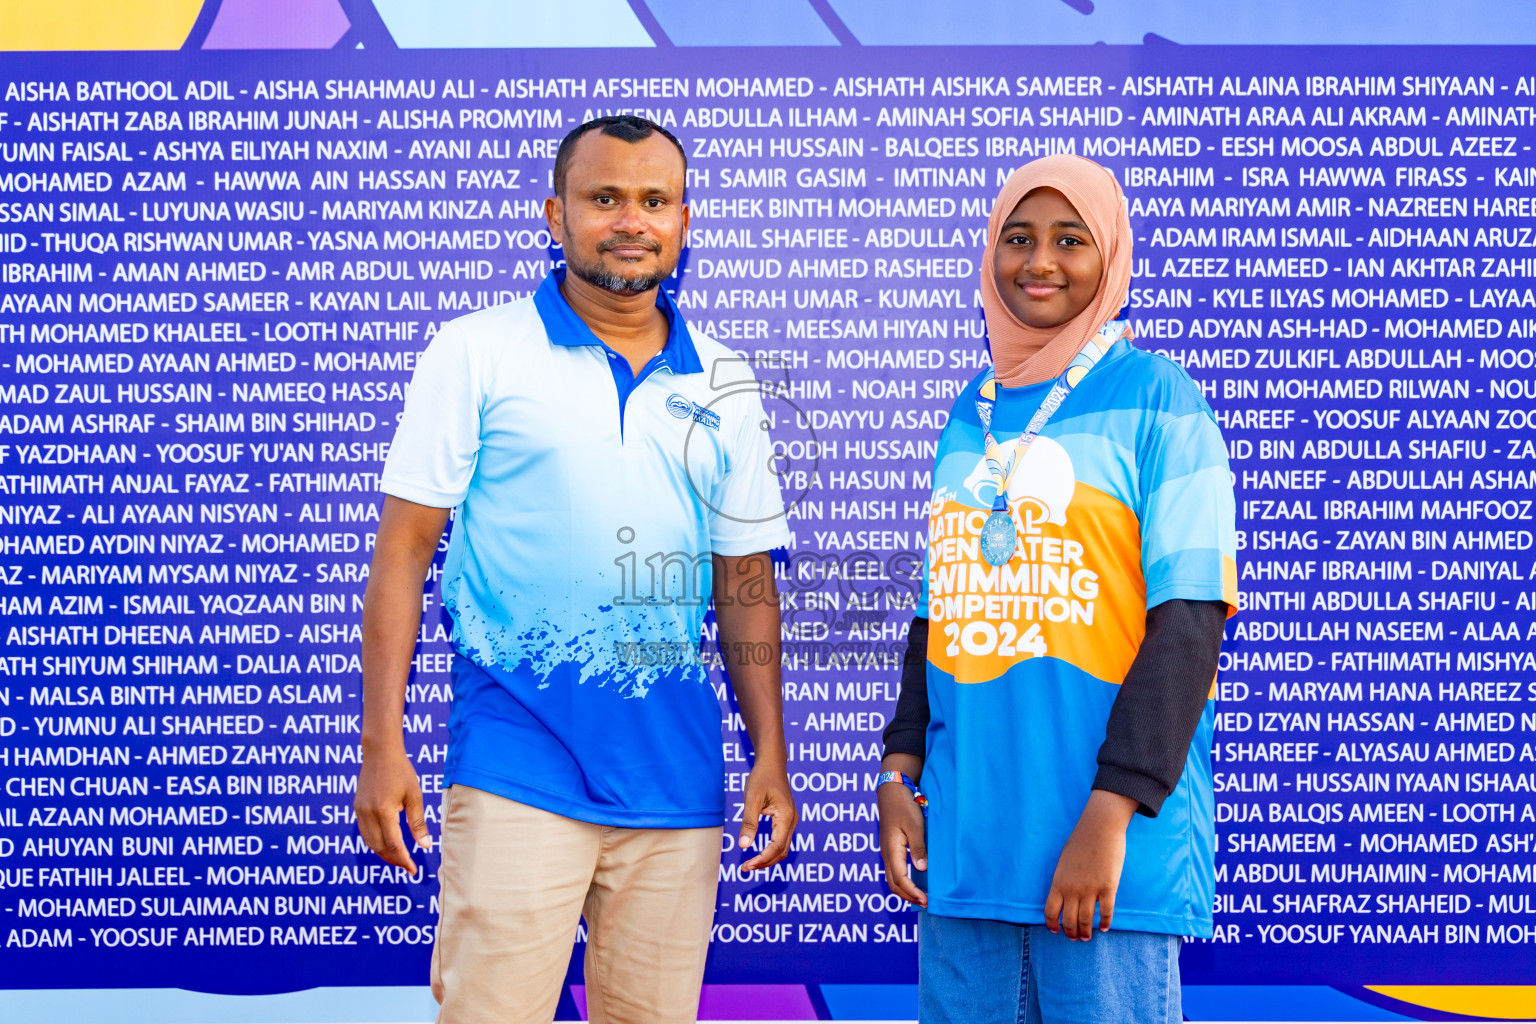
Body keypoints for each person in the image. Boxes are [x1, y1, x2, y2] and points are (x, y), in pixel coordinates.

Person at [354, 115, 797, 1024]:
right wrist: (380, 744)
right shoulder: (476, 351)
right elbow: (402, 552)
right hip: (520, 763)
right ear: (555, 216)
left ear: (684, 222)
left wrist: (772, 756)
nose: (629, 221)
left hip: (675, 783)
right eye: (604, 199)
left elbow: (745, 581)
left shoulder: (727, 380)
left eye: (652, 201)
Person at [876, 154, 1237, 1024]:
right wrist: (899, 766)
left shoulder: (1161, 400)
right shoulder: (973, 409)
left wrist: (1111, 813)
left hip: (1105, 855)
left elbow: (1188, 624)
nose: (1039, 262)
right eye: (1018, 239)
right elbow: (941, 612)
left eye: (1070, 240)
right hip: (969, 851)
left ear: (1107, 255)